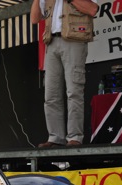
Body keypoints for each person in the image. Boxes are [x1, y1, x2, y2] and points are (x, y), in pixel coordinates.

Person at [31, 0, 98, 148]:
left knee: (74, 91)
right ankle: (55, 137)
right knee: (51, 95)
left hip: (74, 40)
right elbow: (34, 18)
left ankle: (75, 137)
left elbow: (92, 9)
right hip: (51, 42)